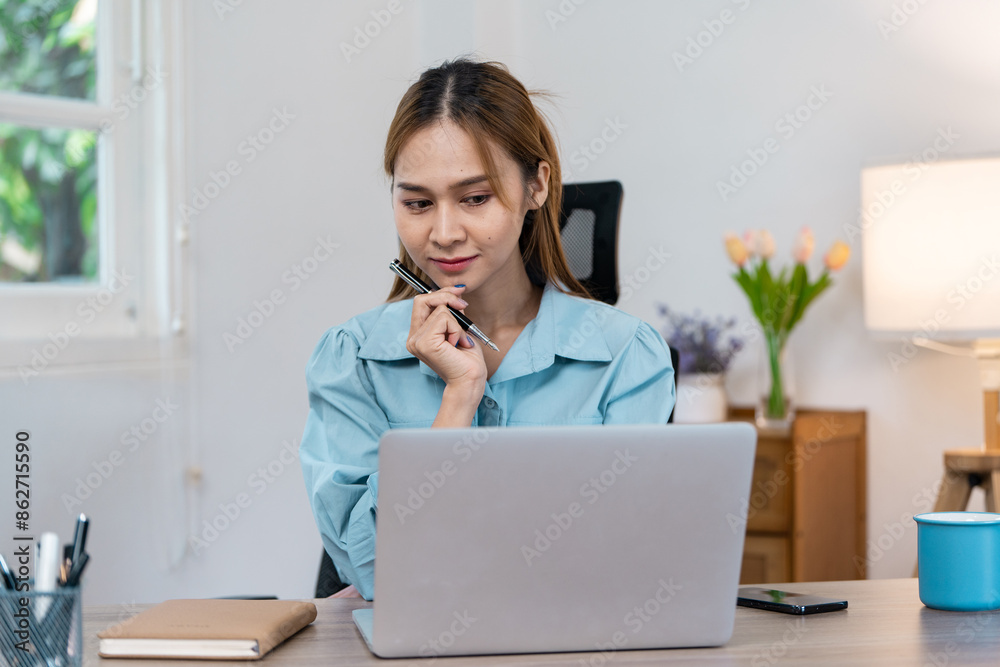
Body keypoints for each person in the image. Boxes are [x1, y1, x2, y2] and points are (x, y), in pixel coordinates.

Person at [299, 58, 675, 600]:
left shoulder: (625, 357)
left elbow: (630, 564)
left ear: (537, 186)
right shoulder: (351, 360)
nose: (444, 232)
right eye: (417, 203)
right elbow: (379, 573)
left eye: (475, 198)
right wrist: (459, 400)